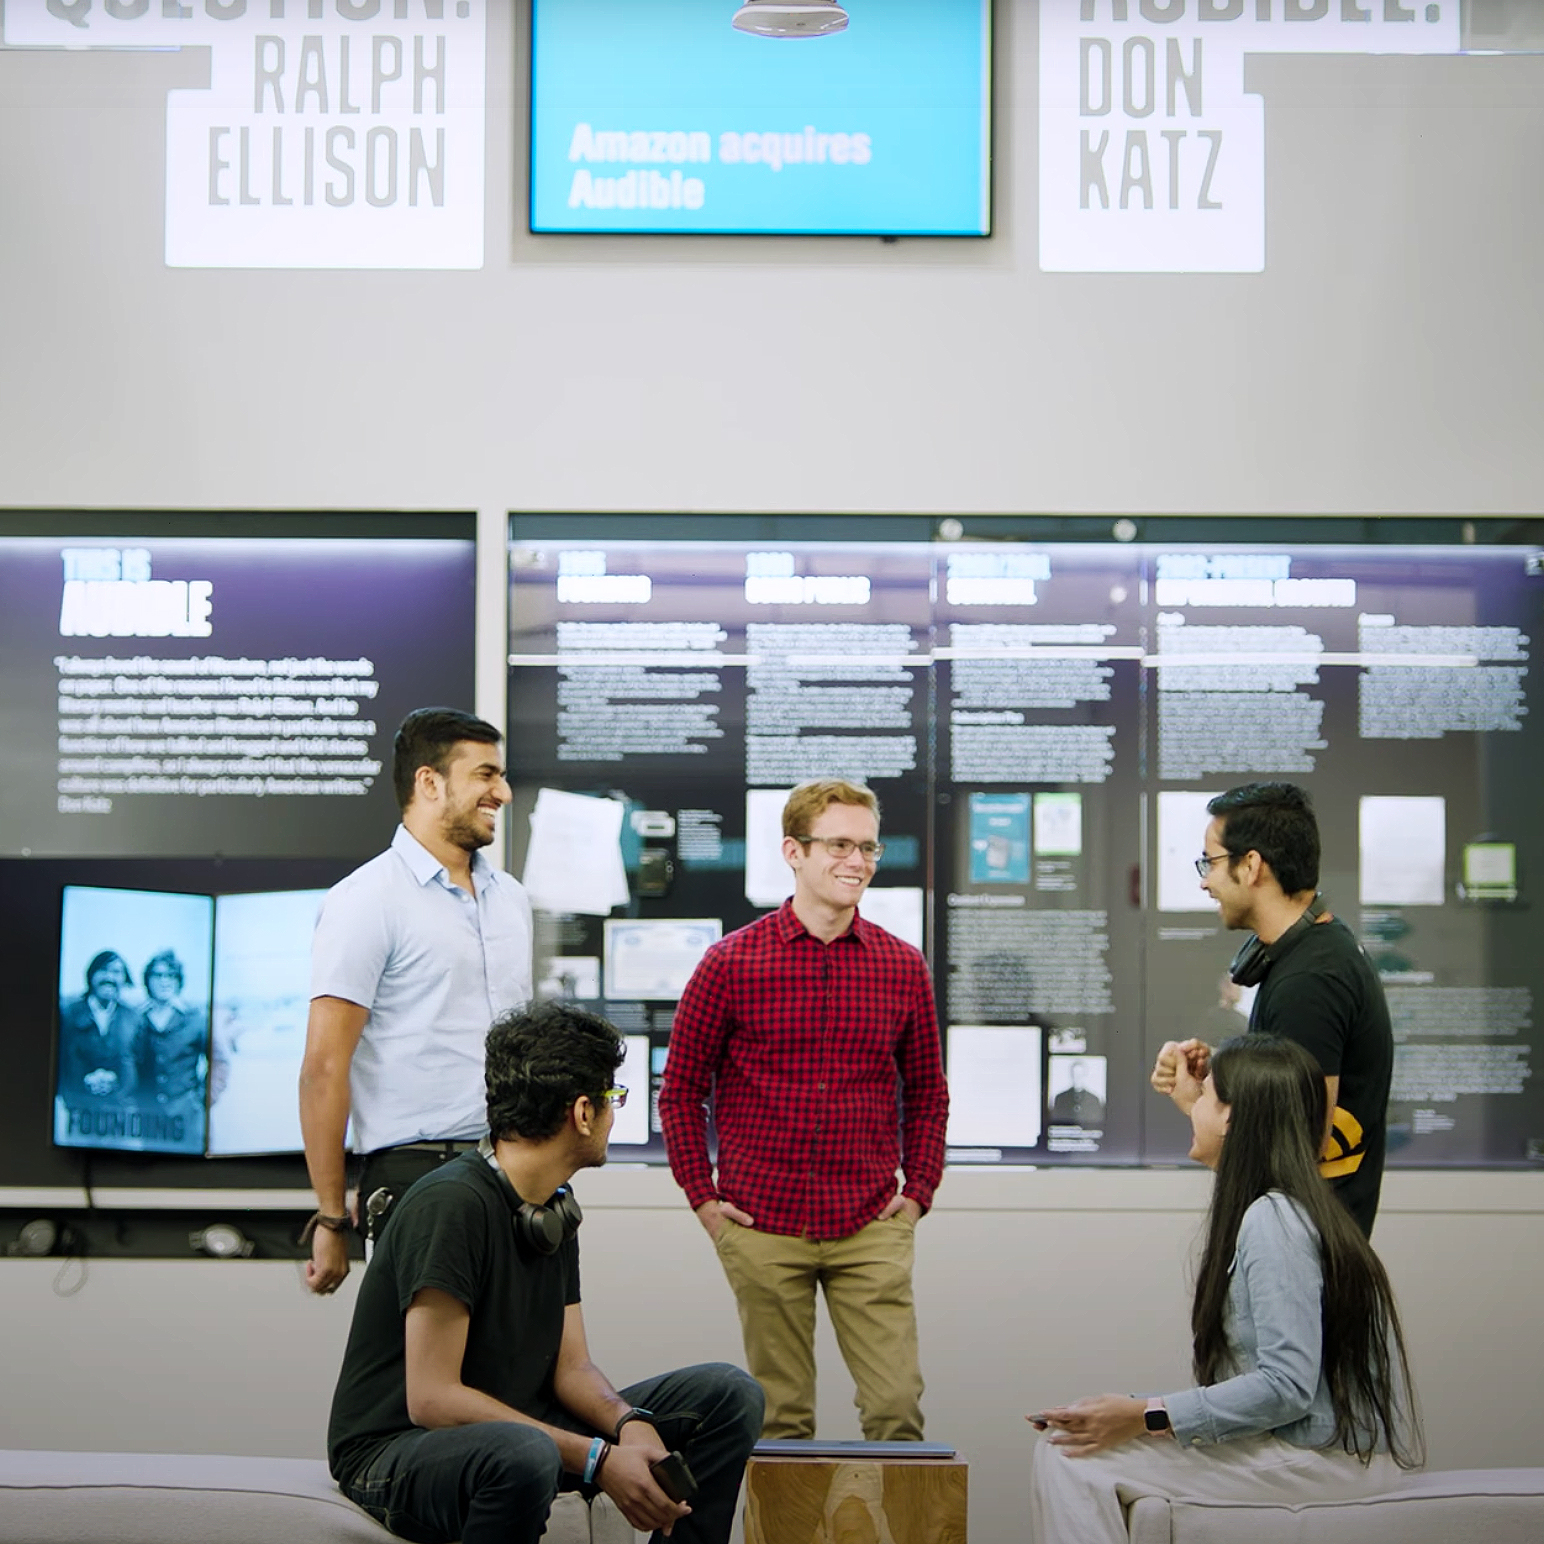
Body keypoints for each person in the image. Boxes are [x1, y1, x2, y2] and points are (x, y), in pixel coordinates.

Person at [327, 1002, 763, 1544]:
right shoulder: (450, 1206)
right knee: (523, 1450)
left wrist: (630, 1423)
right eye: (612, 1100)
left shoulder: (552, 1208)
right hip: (397, 1451)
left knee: (727, 1393)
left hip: (513, 1430)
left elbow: (572, 1367)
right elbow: (432, 1399)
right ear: (583, 1112)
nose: (612, 1113)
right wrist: (599, 1459)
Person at [1029, 1035, 1423, 1544]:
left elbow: (1287, 1386)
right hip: (1330, 1455)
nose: (1194, 1109)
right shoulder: (1290, 1208)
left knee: (1068, 1455)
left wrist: (1144, 1414)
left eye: (1208, 1097)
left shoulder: (1272, 1220)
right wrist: (1133, 1412)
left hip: (1328, 1464)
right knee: (1075, 1442)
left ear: (1235, 1118)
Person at [659, 778, 949, 1441]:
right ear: (794, 851)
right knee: (781, 1423)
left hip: (870, 1221)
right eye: (840, 845)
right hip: (762, 1224)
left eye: (869, 848)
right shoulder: (730, 963)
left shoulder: (903, 968)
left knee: (896, 1411)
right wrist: (705, 1201)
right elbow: (679, 1092)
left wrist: (918, 1194)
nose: (858, 862)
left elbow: (929, 1095)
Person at [299, 707, 534, 1295]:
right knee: (430, 1377)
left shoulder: (511, 900)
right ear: (430, 783)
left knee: (522, 1368)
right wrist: (331, 1216)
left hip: (520, 1165)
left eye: (501, 776)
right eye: (485, 775)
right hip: (417, 1173)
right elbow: (325, 1066)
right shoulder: (365, 899)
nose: (502, 793)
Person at [1151, 782, 1393, 1236]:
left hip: (1303, 1254)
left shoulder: (1309, 982)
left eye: (1211, 862)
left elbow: (1290, 1153)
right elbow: (1281, 1107)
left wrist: (1195, 1105)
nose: (1205, 880)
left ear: (1252, 865)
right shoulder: (1312, 954)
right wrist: (1216, 1084)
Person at [135, 950, 208, 1151]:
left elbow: (219, 1062)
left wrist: (200, 1098)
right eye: (157, 975)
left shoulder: (195, 1019)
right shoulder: (137, 1018)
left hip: (187, 1115)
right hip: (147, 1115)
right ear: (147, 981)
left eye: (170, 976)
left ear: (178, 981)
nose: (164, 981)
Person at [57, 950, 141, 1103]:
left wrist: (117, 1079)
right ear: (91, 975)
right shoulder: (68, 1014)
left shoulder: (134, 1018)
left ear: (124, 979)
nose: (109, 977)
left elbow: (141, 1064)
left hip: (121, 1110)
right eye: (103, 970)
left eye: (116, 972)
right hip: (77, 1107)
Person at [1049, 1059, 1105, 1127]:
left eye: (1080, 1074)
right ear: (1071, 1075)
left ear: (1084, 1075)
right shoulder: (1060, 1098)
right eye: (1074, 1074)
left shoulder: (1094, 1099)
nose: (1077, 1078)